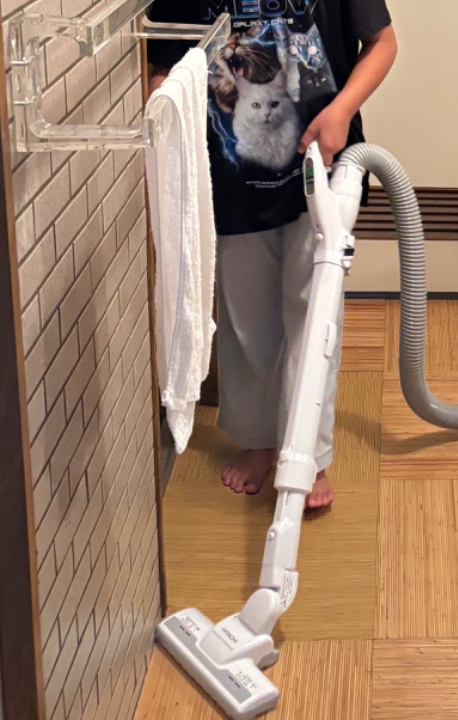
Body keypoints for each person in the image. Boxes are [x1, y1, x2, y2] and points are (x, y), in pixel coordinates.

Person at [146, 0, 397, 509]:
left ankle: (308, 453)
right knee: (246, 318)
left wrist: (342, 111)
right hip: (230, 174)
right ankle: (259, 440)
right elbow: (163, 70)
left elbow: (382, 44)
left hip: (320, 160)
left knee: (314, 312)